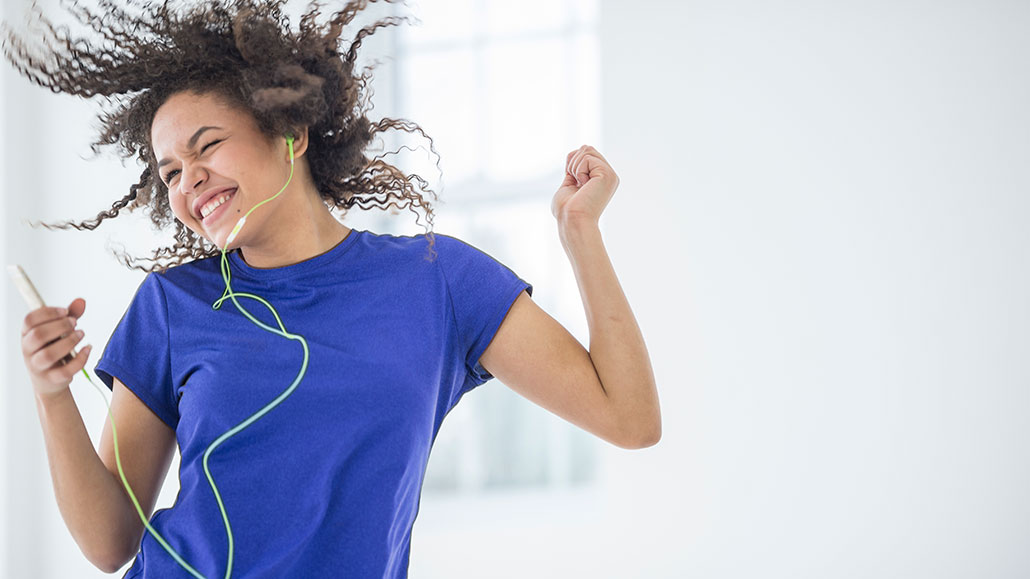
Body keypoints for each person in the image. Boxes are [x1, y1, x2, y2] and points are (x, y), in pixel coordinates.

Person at [8, 1, 662, 577]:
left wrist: (580, 233)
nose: (189, 181)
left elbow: (629, 419)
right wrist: (51, 391)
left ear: (290, 133)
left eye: (207, 147)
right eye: (171, 171)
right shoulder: (172, 306)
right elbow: (108, 543)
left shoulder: (439, 280)